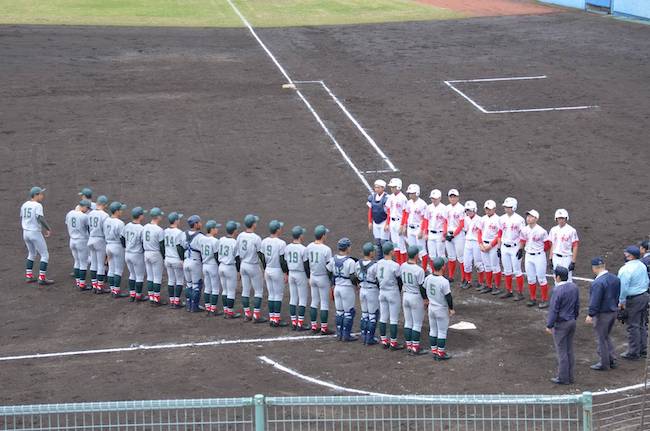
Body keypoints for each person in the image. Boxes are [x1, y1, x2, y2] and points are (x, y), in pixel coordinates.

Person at [546, 266, 579, 385]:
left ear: (558, 277)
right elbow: (577, 305)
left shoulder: (557, 290)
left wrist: (549, 325)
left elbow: (554, 310)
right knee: (569, 349)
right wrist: (574, 317)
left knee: (562, 351)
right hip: (572, 322)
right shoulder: (574, 287)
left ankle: (563, 378)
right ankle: (570, 376)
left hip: (561, 325)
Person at [586, 257, 620, 371]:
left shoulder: (598, 282)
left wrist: (590, 314)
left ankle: (604, 364)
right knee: (606, 336)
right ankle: (612, 359)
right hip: (613, 312)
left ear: (594, 268)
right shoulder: (615, 278)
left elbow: (595, 301)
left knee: (601, 338)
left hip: (603, 315)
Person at [618, 245, 650, 360]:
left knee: (633, 326)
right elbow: (647, 280)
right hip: (644, 296)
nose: (624, 255)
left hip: (634, 300)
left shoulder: (625, 269)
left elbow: (623, 288)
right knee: (641, 324)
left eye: (626, 254)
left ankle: (633, 352)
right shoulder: (641, 265)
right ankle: (642, 349)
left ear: (630, 256)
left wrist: (621, 301)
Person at [20, 186, 53, 286]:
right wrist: (48, 228)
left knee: (31, 253)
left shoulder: (24, 205)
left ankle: (29, 275)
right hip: (34, 232)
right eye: (41, 194)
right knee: (45, 255)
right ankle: (42, 278)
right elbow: (40, 218)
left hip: (25, 232)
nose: (42, 196)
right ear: (36, 195)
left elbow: (22, 217)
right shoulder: (37, 205)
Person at [327, 237, 358, 341]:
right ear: (347, 248)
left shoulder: (332, 259)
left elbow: (329, 273)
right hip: (347, 289)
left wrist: (333, 284)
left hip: (337, 288)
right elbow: (353, 277)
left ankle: (339, 333)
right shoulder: (350, 262)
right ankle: (346, 335)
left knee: (339, 312)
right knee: (349, 312)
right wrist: (357, 286)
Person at [236, 214, 266, 323]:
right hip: (253, 266)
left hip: (243, 265)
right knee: (258, 291)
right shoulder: (256, 238)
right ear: (253, 224)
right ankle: (256, 316)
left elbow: (237, 253)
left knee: (245, 290)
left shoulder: (240, 236)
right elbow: (261, 255)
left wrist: (238, 269)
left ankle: (247, 314)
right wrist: (265, 268)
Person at [520, 210, 551, 308]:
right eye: (528, 216)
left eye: (531, 216)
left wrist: (539, 251)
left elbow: (547, 246)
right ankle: (532, 298)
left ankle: (545, 299)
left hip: (539, 256)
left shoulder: (542, 231)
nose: (528, 218)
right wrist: (520, 249)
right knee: (531, 278)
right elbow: (522, 240)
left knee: (541, 279)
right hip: (528, 255)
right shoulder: (524, 229)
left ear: (536, 219)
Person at [425, 257, 455, 360]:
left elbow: (423, 288)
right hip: (441, 309)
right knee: (442, 332)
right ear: (443, 267)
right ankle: (440, 353)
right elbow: (448, 297)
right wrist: (451, 309)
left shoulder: (428, 278)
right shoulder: (444, 281)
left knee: (433, 330)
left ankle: (434, 351)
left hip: (431, 308)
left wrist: (426, 300)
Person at [261, 220, 289, 327]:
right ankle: (276, 319)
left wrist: (265, 269)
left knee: (271, 294)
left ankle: (272, 318)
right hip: (277, 270)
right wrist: (285, 273)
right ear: (277, 230)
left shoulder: (264, 241)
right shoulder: (281, 243)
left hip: (268, 269)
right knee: (278, 295)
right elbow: (282, 261)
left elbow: (262, 258)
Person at [377, 242, 404, 350]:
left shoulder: (378, 263)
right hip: (392, 292)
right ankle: (393, 343)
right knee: (393, 319)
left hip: (382, 292)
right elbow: (399, 280)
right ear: (391, 251)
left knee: (383, 317)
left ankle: (384, 341)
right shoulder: (395, 265)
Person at [306, 225, 333, 334]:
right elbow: (329, 268)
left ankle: (313, 326)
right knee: (324, 303)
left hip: (313, 277)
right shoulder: (326, 249)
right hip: (323, 278)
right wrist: (332, 282)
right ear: (322, 236)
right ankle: (324, 328)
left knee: (314, 301)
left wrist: (308, 276)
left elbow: (306, 263)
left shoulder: (309, 247)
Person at [400, 245, 426, 355]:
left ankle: (409, 344)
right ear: (416, 256)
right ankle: (415, 347)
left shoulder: (402, 266)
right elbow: (421, 287)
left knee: (408, 322)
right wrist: (425, 299)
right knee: (417, 324)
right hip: (415, 297)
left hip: (405, 295)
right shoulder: (419, 270)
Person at [498, 197, 526, 301]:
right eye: (505, 207)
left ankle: (520, 292)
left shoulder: (520, 220)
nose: (506, 209)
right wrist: (498, 247)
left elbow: (523, 236)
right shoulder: (501, 219)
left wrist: (521, 249)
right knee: (507, 270)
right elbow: (500, 233)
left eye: (508, 207)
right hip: (505, 246)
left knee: (517, 270)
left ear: (513, 207)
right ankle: (508, 290)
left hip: (515, 247)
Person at [285, 226, 310, 330]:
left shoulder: (287, 247)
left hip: (291, 274)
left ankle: (294, 322)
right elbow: (306, 265)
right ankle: (300, 324)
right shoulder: (303, 249)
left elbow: (285, 262)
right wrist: (309, 277)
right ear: (300, 236)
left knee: (293, 298)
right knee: (303, 299)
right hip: (300, 275)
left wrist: (286, 273)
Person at [400, 184, 428, 270]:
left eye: (412, 193)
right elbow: (406, 215)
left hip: (418, 228)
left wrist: (422, 231)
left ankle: (424, 269)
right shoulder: (409, 203)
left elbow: (425, 219)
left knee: (421, 250)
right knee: (412, 249)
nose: (410, 195)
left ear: (417, 193)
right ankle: (415, 266)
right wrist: (404, 225)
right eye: (409, 193)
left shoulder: (422, 204)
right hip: (410, 228)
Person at [356, 242, 379, 345]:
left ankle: (364, 335)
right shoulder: (375, 266)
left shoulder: (357, 264)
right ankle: (370, 338)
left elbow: (355, 277)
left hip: (362, 290)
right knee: (372, 315)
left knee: (364, 315)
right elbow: (378, 279)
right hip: (372, 291)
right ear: (370, 253)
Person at [65, 200, 91, 290]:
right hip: (82, 241)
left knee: (77, 261)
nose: (87, 210)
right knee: (83, 263)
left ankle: (78, 282)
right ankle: (82, 285)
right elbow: (88, 229)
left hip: (72, 240)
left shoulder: (69, 213)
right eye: (87, 208)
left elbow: (67, 224)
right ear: (83, 206)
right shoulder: (84, 216)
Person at [477, 200, 502, 295]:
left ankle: (497, 286)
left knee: (495, 266)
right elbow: (479, 232)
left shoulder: (498, 219)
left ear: (494, 209)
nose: (488, 211)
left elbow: (499, 235)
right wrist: (480, 244)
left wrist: (491, 245)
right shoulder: (482, 219)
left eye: (490, 209)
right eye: (486, 209)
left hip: (493, 246)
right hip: (484, 244)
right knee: (487, 266)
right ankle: (489, 285)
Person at [123, 207, 147, 302]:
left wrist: (127, 247)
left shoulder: (127, 225)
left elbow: (122, 238)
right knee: (139, 276)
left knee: (132, 274)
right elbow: (143, 243)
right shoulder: (142, 228)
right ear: (140, 216)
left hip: (127, 254)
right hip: (137, 254)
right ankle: (138, 296)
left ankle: (132, 295)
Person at [142, 208, 166, 305]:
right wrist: (164, 256)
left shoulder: (145, 227)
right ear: (158, 217)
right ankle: (156, 299)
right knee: (157, 277)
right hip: (155, 254)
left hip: (146, 253)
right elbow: (161, 245)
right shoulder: (159, 230)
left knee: (150, 276)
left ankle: (151, 296)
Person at [549, 209, 579, 282]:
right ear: (556, 219)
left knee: (567, 279)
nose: (561, 220)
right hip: (555, 257)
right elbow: (553, 244)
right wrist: (550, 258)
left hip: (566, 258)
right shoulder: (553, 230)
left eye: (562, 218)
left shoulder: (571, 230)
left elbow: (575, 245)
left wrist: (573, 261)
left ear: (566, 218)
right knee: (556, 278)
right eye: (559, 218)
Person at [104, 202, 127, 298]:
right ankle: (116, 291)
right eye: (120, 210)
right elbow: (122, 238)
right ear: (117, 211)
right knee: (118, 270)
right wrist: (125, 247)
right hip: (117, 247)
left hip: (108, 246)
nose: (122, 211)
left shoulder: (106, 220)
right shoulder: (120, 223)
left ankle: (113, 289)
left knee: (111, 268)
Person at [421, 189, 448, 272]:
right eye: (432, 198)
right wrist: (425, 233)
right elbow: (426, 220)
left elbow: (445, 222)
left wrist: (444, 234)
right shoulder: (429, 207)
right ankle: (434, 272)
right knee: (432, 255)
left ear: (439, 198)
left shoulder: (444, 208)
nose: (433, 200)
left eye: (435, 198)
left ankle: (441, 272)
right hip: (431, 233)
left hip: (439, 234)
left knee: (441, 255)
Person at [87, 196, 110, 293]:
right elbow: (106, 230)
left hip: (91, 239)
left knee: (94, 263)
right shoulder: (105, 215)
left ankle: (94, 285)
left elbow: (88, 227)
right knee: (100, 264)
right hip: (100, 240)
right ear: (105, 205)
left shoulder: (90, 213)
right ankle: (100, 287)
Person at [218, 221, 241, 319]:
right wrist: (239, 271)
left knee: (225, 290)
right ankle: (230, 313)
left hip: (221, 266)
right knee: (231, 291)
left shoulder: (221, 239)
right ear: (235, 231)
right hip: (230, 267)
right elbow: (237, 258)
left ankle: (225, 310)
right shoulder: (234, 242)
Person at [182, 215, 204, 312]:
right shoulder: (200, 236)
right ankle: (194, 307)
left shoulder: (183, 234)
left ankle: (188, 304)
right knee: (196, 285)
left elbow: (180, 247)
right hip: (195, 263)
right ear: (195, 224)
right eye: (199, 222)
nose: (201, 223)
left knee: (189, 284)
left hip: (186, 261)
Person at [163, 212, 185, 309]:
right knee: (179, 280)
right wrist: (182, 259)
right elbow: (179, 247)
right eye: (178, 219)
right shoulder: (179, 232)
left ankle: (172, 300)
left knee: (171, 280)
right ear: (176, 221)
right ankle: (176, 302)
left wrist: (164, 256)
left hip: (167, 258)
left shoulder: (165, 231)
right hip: (176, 259)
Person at [461, 200, 484, 289]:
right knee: (466, 263)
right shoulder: (465, 218)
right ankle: (468, 281)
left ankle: (481, 282)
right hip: (467, 242)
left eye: (470, 210)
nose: (468, 212)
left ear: (475, 210)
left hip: (476, 243)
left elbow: (481, 233)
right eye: (467, 210)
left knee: (478, 263)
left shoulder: (480, 219)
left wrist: (480, 243)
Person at [201, 220, 222, 316]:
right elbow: (216, 255)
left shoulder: (201, 239)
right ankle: (213, 309)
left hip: (204, 265)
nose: (217, 229)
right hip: (213, 265)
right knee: (215, 289)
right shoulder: (215, 241)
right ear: (212, 229)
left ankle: (207, 307)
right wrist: (219, 265)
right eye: (216, 228)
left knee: (207, 288)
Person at [445, 189, 465, 282]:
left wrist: (453, 235)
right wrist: (445, 233)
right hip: (449, 235)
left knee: (460, 257)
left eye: (454, 197)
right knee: (451, 257)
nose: (452, 198)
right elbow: (445, 221)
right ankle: (451, 276)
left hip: (458, 236)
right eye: (451, 197)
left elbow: (461, 224)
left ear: (458, 197)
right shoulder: (447, 208)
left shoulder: (461, 208)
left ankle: (464, 277)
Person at [385, 178, 407, 264]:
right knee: (395, 245)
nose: (391, 188)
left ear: (398, 187)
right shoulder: (390, 197)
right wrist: (387, 223)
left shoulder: (403, 198)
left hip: (399, 222)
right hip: (392, 222)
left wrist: (402, 225)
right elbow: (389, 211)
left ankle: (403, 264)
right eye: (391, 187)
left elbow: (405, 213)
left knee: (401, 245)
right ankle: (398, 263)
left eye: (393, 187)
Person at [367, 179, 390, 259]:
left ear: (383, 188)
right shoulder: (372, 197)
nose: (376, 189)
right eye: (375, 187)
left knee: (384, 243)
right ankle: (379, 259)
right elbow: (370, 210)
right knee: (377, 242)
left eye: (378, 187)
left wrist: (387, 224)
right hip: (375, 222)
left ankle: (386, 259)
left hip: (383, 222)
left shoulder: (387, 198)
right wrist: (370, 222)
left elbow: (389, 213)